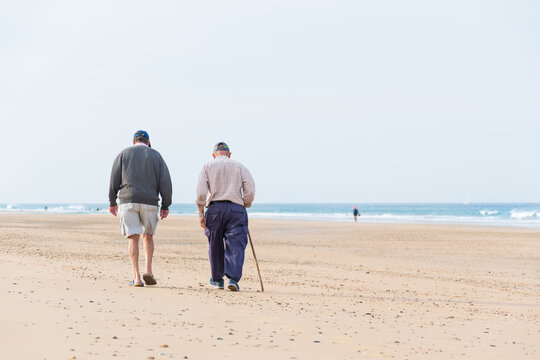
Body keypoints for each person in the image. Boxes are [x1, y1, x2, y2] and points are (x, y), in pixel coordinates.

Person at [109, 130, 172, 287]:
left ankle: (136, 277)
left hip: (128, 200)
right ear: (148, 141)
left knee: (133, 237)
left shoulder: (123, 154)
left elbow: (114, 179)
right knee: (148, 236)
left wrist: (112, 202)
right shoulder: (156, 155)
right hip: (150, 202)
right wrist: (166, 205)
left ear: (133, 141)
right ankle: (148, 271)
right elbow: (165, 182)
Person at [196, 142, 255, 291]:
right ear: (229, 154)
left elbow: (201, 192)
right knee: (236, 243)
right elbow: (250, 189)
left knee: (214, 243)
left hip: (215, 208)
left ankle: (218, 279)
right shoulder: (239, 166)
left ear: (214, 154)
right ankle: (233, 279)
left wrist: (201, 213)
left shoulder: (207, 166)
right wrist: (245, 203)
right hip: (236, 209)